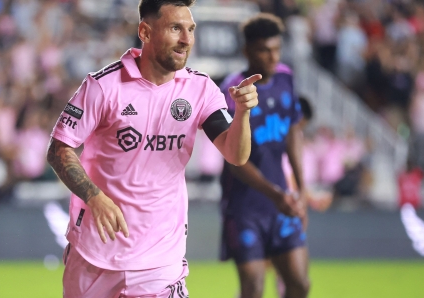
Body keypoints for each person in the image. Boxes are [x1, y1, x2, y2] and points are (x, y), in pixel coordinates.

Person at [46, 1, 262, 297]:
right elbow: (59, 148)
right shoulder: (103, 86)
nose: (186, 39)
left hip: (159, 261)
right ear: (145, 32)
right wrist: (94, 198)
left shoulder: (200, 90)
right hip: (94, 254)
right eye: (175, 28)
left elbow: (236, 154)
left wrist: (243, 114)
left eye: (190, 29)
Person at [219, 13, 309, 298]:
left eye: (276, 49)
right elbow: (234, 160)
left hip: (282, 199)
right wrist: (276, 195)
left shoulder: (286, 78)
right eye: (263, 50)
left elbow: (293, 131)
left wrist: (302, 188)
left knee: (299, 284)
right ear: (247, 51)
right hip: (244, 207)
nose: (272, 57)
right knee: (254, 288)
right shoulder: (232, 91)